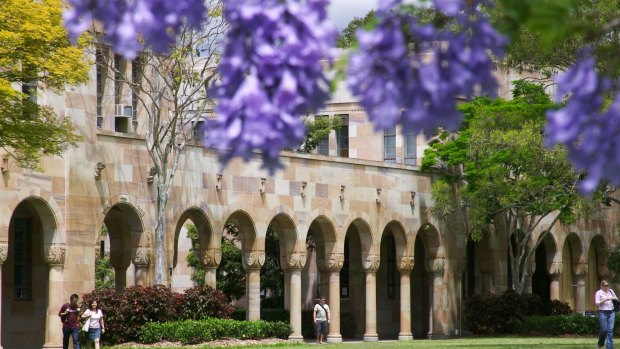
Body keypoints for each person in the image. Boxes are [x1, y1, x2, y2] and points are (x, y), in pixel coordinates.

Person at [596, 280, 618, 349]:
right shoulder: (598, 293)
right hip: (602, 312)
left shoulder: (610, 291)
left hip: (611, 312)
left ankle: (609, 347)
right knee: (604, 330)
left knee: (610, 330)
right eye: (605, 285)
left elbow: (616, 298)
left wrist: (613, 298)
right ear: (601, 286)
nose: (607, 287)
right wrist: (605, 300)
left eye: (607, 285)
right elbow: (597, 302)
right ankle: (600, 344)